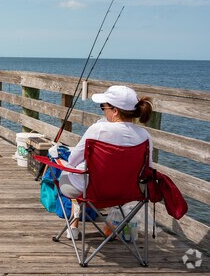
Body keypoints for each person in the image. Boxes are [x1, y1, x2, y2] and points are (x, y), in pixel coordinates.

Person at [60, 85, 153, 239]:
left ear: (115, 110)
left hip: (93, 192)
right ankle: (116, 228)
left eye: (103, 107)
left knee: (68, 170)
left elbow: (72, 160)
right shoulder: (145, 136)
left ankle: (73, 226)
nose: (103, 110)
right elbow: (146, 170)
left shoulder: (98, 129)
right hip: (128, 193)